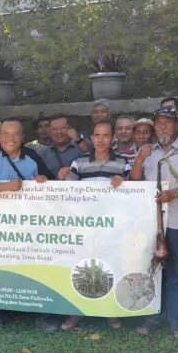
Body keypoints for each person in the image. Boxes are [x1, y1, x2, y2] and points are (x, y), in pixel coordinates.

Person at [130, 109, 178, 339]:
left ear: (177, 126)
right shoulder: (146, 152)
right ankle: (152, 316)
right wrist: (139, 159)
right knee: (150, 271)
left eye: (168, 122)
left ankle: (175, 320)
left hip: (176, 221)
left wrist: (174, 193)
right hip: (149, 222)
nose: (163, 126)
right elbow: (134, 181)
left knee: (176, 273)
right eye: (159, 123)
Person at [0, 119, 52, 329]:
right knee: (1, 269)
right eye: (6, 134)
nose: (10, 138)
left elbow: (51, 183)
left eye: (15, 134)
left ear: (23, 137)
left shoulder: (32, 156)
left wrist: (42, 179)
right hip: (1, 227)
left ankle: (39, 313)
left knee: (34, 268)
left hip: (30, 226)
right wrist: (6, 186)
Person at [57, 120, 130, 332]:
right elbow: (68, 192)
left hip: (111, 226)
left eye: (105, 135)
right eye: (97, 135)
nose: (100, 139)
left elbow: (133, 191)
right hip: (85, 226)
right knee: (82, 267)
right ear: (91, 138)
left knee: (110, 267)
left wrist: (123, 181)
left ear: (113, 138)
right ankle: (77, 312)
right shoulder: (79, 162)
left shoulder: (122, 163)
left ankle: (111, 312)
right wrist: (62, 178)